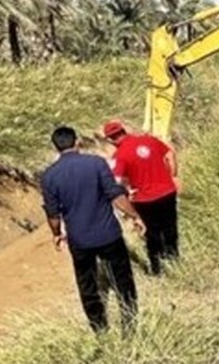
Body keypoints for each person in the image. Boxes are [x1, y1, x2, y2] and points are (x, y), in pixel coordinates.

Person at [41, 125, 146, 332]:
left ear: (56, 147)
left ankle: (99, 328)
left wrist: (56, 234)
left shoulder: (49, 177)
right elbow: (115, 196)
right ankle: (130, 324)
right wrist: (135, 216)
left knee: (87, 284)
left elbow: (53, 214)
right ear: (77, 141)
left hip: (80, 240)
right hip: (109, 235)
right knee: (122, 280)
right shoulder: (96, 164)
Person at [103, 119, 179, 276]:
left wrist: (126, 193)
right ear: (123, 131)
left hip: (144, 199)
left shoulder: (119, 155)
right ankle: (175, 261)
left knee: (152, 234)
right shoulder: (149, 140)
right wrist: (173, 175)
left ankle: (158, 269)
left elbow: (116, 181)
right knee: (170, 228)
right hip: (167, 192)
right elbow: (170, 153)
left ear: (110, 139)